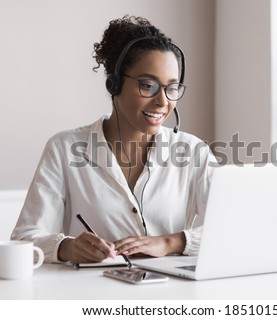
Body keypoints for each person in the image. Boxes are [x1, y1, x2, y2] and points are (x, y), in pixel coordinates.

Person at [11, 15, 216, 264]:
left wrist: (168, 242)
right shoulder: (64, 148)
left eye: (171, 88)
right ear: (114, 84)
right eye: (147, 85)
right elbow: (24, 239)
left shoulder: (194, 152)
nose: (163, 101)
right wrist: (66, 247)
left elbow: (235, 230)